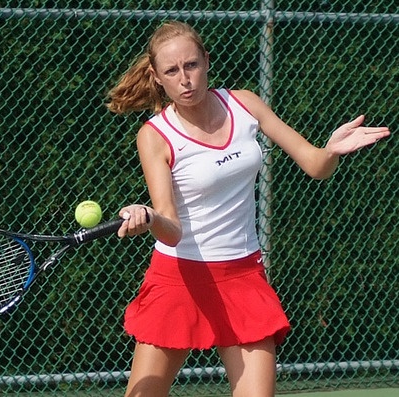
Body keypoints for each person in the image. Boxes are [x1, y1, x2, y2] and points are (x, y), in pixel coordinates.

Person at [105, 21, 390, 397]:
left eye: (191, 65)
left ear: (207, 61)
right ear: (158, 78)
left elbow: (315, 166)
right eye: (172, 71)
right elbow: (171, 227)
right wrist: (151, 218)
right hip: (179, 278)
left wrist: (332, 150)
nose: (185, 79)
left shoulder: (245, 103)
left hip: (242, 275)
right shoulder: (155, 135)